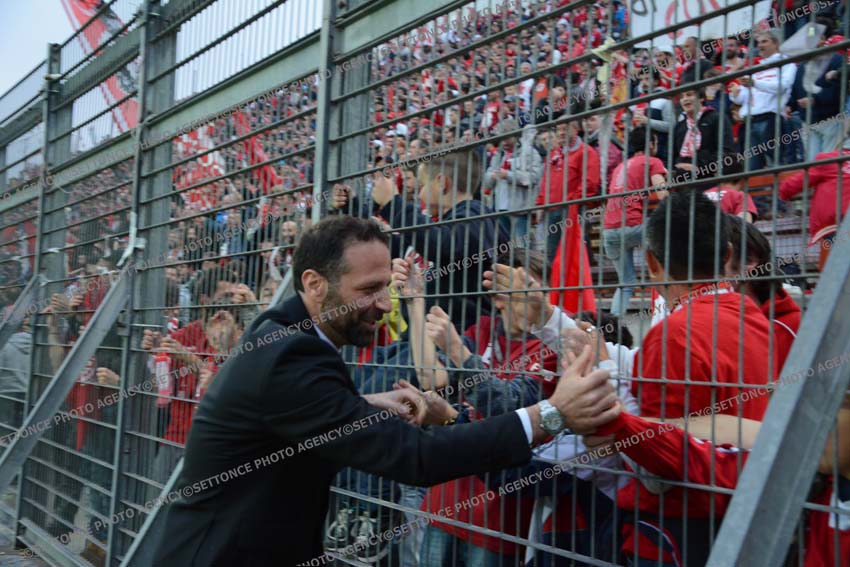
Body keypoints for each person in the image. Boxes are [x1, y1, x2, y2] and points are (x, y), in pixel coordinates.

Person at [153, 216, 622, 566]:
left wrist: (361, 405)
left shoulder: (284, 333)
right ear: (314, 284)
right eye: (369, 289)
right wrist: (553, 414)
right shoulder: (291, 356)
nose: (383, 304)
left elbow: (298, 417)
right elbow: (418, 457)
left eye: (386, 287)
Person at [593, 192, 777, 566]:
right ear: (728, 254)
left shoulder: (674, 334)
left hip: (677, 529)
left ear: (651, 262)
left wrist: (609, 386)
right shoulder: (754, 317)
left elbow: (655, 472)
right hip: (743, 511)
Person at [602, 127, 668, 317]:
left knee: (626, 283)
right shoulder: (652, 161)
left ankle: (613, 323)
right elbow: (663, 194)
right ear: (651, 144)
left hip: (609, 231)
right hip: (633, 226)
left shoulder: (620, 167)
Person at [779, 133, 850, 271]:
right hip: (839, 221)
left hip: (834, 222)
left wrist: (783, 193)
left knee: (836, 268)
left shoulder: (831, 159)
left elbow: (795, 183)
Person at [729, 30, 797, 172]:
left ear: (776, 43)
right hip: (749, 122)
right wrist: (736, 93)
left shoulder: (786, 63)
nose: (760, 45)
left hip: (770, 120)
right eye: (758, 42)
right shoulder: (756, 67)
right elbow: (743, 98)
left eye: (764, 41)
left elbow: (782, 86)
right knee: (750, 170)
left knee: (776, 167)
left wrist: (755, 83)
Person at [482, 121, 543, 240]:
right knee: (504, 246)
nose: (504, 142)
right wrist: (492, 176)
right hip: (499, 209)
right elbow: (486, 181)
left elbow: (533, 178)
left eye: (507, 138)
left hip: (519, 211)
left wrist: (508, 175)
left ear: (516, 136)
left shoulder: (529, 152)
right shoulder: (498, 155)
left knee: (521, 246)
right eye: (502, 138)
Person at [672, 87, 736, 182]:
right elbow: (671, 155)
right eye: (681, 97)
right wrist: (677, 168)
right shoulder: (679, 126)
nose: (685, 99)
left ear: (701, 98)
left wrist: (700, 168)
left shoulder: (717, 118)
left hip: (708, 178)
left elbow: (726, 151)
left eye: (689, 95)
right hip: (681, 179)